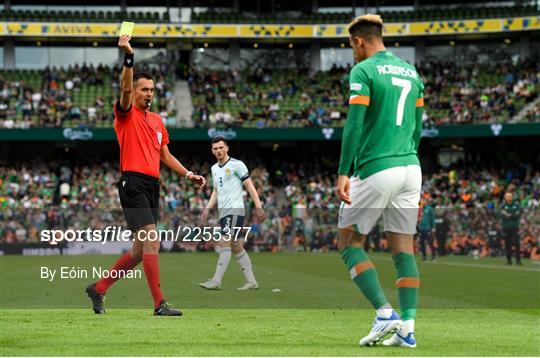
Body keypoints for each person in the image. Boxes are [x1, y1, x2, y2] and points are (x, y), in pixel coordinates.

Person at [85, 35, 206, 316]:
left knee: (140, 251)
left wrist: (189, 174)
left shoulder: (157, 120)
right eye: (144, 89)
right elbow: (124, 89)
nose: (148, 93)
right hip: (133, 183)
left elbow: (165, 156)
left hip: (152, 185)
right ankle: (159, 304)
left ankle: (99, 288)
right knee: (154, 240)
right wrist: (129, 57)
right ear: (134, 91)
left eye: (151, 89)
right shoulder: (125, 114)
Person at [336, 14, 424, 348]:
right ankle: (408, 328)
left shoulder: (364, 70)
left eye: (351, 46)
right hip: (410, 167)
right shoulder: (411, 72)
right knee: (404, 249)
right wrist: (405, 153)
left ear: (359, 41)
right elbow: (417, 126)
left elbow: (354, 125)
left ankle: (385, 314)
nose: (352, 52)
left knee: (349, 243)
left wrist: (344, 170)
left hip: (377, 167)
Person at [199, 137, 266, 290]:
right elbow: (216, 190)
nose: (218, 151)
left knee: (224, 241)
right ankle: (252, 281)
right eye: (215, 149)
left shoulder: (237, 165)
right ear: (212, 151)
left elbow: (249, 185)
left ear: (227, 148)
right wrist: (208, 208)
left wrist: (258, 206)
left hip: (235, 209)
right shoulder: (214, 168)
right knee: (236, 245)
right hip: (224, 211)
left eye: (221, 147)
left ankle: (216, 281)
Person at [499, 192, 522, 265]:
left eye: (510, 196)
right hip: (506, 227)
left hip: (515, 227)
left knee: (516, 243)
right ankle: (509, 260)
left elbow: (517, 215)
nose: (509, 197)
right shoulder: (503, 206)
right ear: (505, 198)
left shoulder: (516, 205)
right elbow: (501, 216)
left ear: (512, 197)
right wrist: (511, 215)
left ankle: (518, 260)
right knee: (507, 244)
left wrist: (508, 214)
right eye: (507, 196)